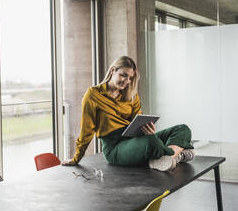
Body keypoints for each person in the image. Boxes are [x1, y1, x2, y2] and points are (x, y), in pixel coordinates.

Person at [62, 56, 194, 171]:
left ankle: (169, 158)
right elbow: (86, 131)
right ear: (113, 70)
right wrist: (76, 158)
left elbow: (138, 120)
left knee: (182, 129)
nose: (127, 81)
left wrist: (147, 129)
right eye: (124, 75)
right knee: (150, 142)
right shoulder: (93, 95)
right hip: (114, 148)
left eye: (130, 78)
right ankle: (176, 154)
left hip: (134, 139)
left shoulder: (131, 94)